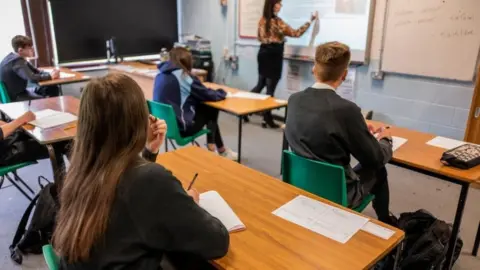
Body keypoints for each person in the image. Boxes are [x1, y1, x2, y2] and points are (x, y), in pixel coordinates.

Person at [54, 74, 230, 270]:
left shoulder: (81, 169)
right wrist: (191, 206)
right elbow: (217, 242)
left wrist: (149, 151)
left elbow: (122, 193)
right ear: (138, 120)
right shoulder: (150, 180)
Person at [285, 42, 395, 224]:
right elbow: (373, 159)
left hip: (301, 185)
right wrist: (386, 141)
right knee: (379, 169)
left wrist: (358, 127)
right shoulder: (347, 110)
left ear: (314, 69)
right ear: (344, 75)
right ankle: (387, 223)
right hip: (337, 194)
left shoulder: (294, 100)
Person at [153, 47, 238, 161]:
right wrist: (222, 92)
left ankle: (218, 148)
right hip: (181, 129)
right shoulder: (184, 77)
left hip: (164, 126)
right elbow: (208, 95)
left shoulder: (161, 74)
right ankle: (213, 147)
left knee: (205, 108)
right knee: (210, 107)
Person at [246, 0, 317, 128]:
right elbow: (296, 33)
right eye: (279, 3)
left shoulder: (262, 20)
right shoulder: (278, 22)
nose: (281, 5)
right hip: (273, 56)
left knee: (261, 84)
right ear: (273, 5)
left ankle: (245, 110)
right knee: (270, 89)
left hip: (263, 53)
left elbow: (259, 37)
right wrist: (310, 21)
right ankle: (267, 119)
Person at [0, 111, 70, 172]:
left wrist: (11, 125)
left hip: (4, 141)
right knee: (60, 142)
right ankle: (74, 181)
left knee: (49, 133)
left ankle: (74, 180)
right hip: (4, 152)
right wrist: (20, 120)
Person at [0, 35, 60, 102]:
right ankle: (49, 108)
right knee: (47, 96)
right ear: (20, 50)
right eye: (29, 48)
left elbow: (35, 71)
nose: (32, 50)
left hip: (17, 92)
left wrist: (49, 74)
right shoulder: (16, 61)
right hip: (16, 96)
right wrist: (50, 76)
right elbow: (31, 78)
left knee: (51, 87)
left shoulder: (14, 58)